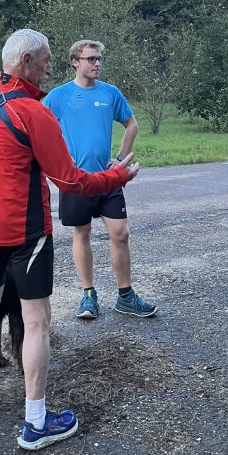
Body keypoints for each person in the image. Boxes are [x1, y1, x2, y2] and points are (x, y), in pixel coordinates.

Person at [0, 28, 140, 450]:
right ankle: (36, 422)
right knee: (37, 321)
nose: (51, 67)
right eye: (47, 59)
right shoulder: (33, 113)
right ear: (27, 61)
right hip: (27, 235)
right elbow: (70, 180)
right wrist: (117, 177)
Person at [43, 39, 156, 320]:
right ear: (75, 62)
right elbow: (42, 130)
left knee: (121, 233)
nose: (97, 64)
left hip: (108, 178)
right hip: (76, 180)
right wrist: (59, 160)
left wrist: (120, 158)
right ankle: (88, 295)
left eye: (99, 59)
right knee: (82, 233)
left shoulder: (110, 93)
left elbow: (132, 125)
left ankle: (125, 296)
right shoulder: (59, 96)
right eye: (91, 59)